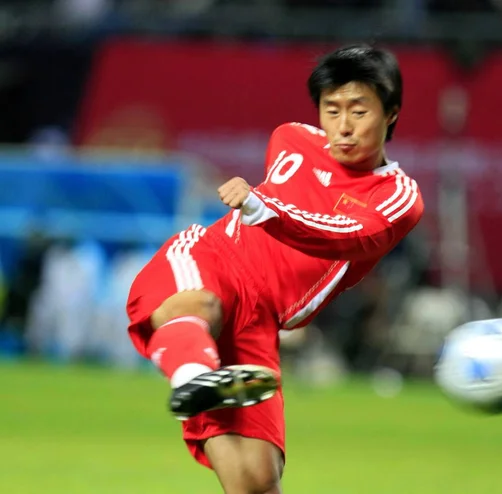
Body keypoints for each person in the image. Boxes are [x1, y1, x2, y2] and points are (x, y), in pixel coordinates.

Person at [126, 44, 424, 494]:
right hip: (213, 259)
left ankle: (198, 381)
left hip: (262, 321)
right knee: (198, 304)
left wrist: (268, 209)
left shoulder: (398, 196)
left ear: (391, 114)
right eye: (331, 110)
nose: (343, 126)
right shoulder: (291, 139)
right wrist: (263, 210)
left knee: (258, 481)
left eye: (359, 112)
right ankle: (194, 380)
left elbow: (345, 235)